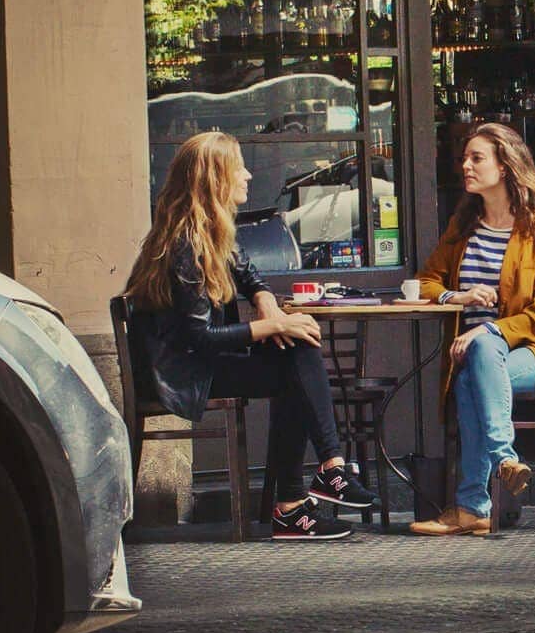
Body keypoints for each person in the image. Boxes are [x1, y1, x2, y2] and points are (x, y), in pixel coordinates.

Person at [123, 132, 372, 540]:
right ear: (216, 178)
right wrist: (274, 325)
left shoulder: (210, 229)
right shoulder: (187, 243)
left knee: (294, 352)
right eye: (239, 167)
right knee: (295, 353)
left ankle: (324, 477)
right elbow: (200, 338)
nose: (248, 174)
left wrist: (266, 302)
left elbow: (249, 275)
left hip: (200, 364)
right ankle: (313, 487)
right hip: (183, 374)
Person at [407, 121, 535, 537]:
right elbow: (427, 281)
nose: (466, 166)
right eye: (464, 159)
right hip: (477, 357)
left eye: (477, 158)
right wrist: (461, 297)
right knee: (476, 367)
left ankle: (473, 502)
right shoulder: (464, 225)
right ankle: (501, 468)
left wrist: (487, 331)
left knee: (482, 353)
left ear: (504, 166)